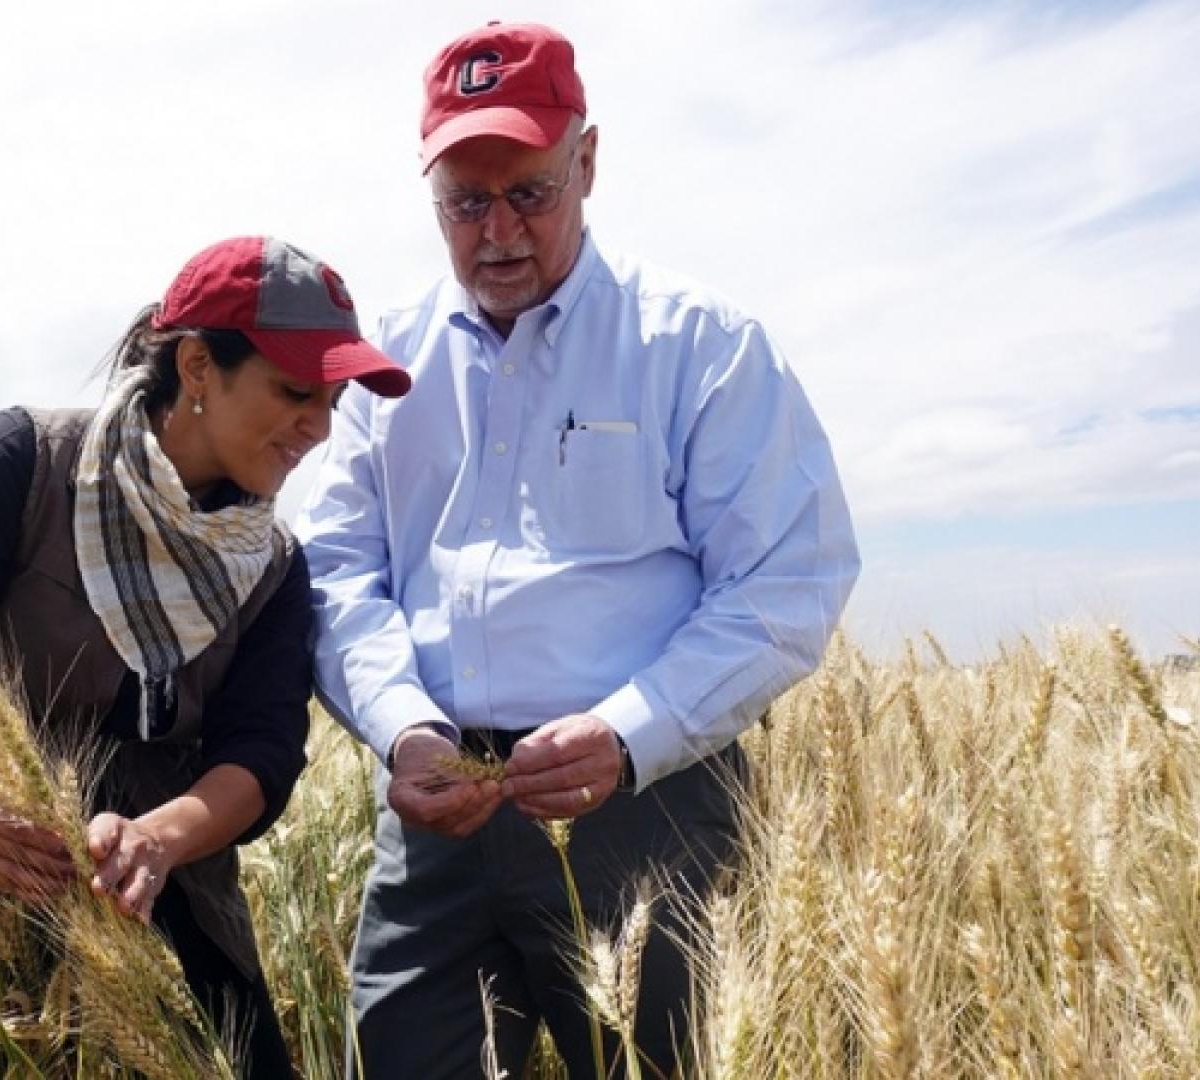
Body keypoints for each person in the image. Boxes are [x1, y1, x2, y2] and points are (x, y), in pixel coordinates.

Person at [296, 22, 860, 1079]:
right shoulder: (387, 365)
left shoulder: (698, 343)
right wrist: (401, 724)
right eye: (466, 202)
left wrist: (626, 731)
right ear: (430, 195)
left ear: (587, 163)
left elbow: (792, 577)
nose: (498, 230)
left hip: (650, 816)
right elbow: (333, 571)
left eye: (531, 192)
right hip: (434, 825)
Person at [0, 235, 411, 1079]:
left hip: (170, 918)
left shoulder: (276, 565)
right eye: (295, 391)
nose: (321, 428)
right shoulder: (16, 468)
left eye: (331, 401)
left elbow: (258, 754)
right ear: (196, 366)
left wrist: (156, 840)